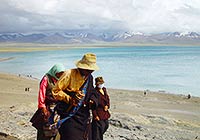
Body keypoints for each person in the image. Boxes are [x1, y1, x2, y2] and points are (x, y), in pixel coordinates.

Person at [52, 53, 99, 140]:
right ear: (82, 67)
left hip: (83, 117)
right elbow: (55, 91)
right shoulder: (69, 74)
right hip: (69, 115)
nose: (91, 71)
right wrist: (71, 98)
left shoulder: (89, 77)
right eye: (88, 69)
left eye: (92, 70)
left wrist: (92, 100)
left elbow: (92, 91)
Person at [30, 63, 65, 140]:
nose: (60, 75)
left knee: (54, 129)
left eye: (61, 74)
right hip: (47, 106)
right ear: (55, 71)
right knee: (44, 128)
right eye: (59, 73)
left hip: (57, 107)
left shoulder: (59, 80)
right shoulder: (46, 79)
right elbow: (41, 93)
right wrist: (42, 107)